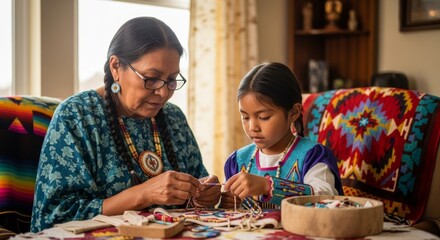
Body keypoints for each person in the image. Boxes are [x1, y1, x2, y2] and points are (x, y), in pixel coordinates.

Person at [31, 17, 221, 232]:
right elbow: (55, 217)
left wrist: (202, 195)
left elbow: (196, 188)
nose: (163, 92)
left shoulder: (173, 118)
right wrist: (143, 194)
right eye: (151, 78)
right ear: (116, 67)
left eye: (172, 80)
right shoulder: (77, 117)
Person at [221, 62, 343, 209]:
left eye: (264, 117)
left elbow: (326, 197)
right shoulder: (237, 162)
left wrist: (268, 186)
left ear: (294, 112)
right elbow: (228, 212)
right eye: (245, 117)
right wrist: (221, 201)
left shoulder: (312, 156)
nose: (253, 127)